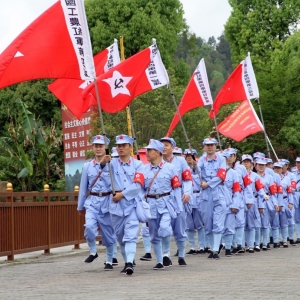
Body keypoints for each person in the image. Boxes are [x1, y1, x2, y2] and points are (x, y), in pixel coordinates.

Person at [102, 134, 144, 275]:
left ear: (130, 147)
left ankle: (129, 263)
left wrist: (123, 194)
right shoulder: (111, 163)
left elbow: (138, 185)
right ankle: (126, 260)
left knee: (131, 234)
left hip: (131, 203)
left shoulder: (138, 165)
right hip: (115, 204)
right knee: (120, 236)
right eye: (118, 146)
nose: (120, 148)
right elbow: (101, 171)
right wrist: (103, 162)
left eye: (124, 145)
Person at [77, 135, 117, 271]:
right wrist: (80, 205)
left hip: (107, 201)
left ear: (105, 148)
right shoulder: (87, 166)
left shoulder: (113, 165)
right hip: (92, 202)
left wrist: (105, 165)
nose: (98, 148)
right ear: (93, 148)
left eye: (101, 146)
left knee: (108, 233)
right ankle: (93, 252)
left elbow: (115, 184)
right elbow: (83, 188)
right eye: (96, 146)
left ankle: (110, 260)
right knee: (89, 227)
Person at [142, 139, 182, 270]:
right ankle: (159, 260)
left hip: (166, 203)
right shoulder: (143, 170)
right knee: (153, 234)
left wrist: (178, 206)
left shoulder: (170, 168)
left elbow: (176, 188)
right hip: (150, 205)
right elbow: (140, 189)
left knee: (165, 229)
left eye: (150, 150)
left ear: (158, 152)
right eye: (147, 150)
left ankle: (166, 254)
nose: (147, 153)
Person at [159, 137, 192, 267]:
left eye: (167, 145)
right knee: (164, 227)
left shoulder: (181, 161)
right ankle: (165, 254)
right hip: (163, 200)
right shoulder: (158, 162)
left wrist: (187, 192)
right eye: (162, 145)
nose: (164, 147)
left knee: (179, 229)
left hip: (178, 199)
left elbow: (187, 178)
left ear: (173, 147)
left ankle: (181, 255)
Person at [197, 137, 227, 260]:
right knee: (207, 223)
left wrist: (208, 183)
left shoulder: (221, 159)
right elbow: (197, 174)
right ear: (204, 146)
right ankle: (212, 245)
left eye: (212, 145)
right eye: (207, 145)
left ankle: (215, 250)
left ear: (216, 146)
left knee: (218, 222)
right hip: (205, 194)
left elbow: (221, 175)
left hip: (218, 192)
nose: (210, 147)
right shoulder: (200, 160)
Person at [241, 154, 266, 253]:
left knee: (251, 224)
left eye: (248, 162)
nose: (246, 164)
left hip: (252, 202)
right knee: (241, 224)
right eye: (244, 162)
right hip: (241, 201)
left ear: (252, 164)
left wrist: (264, 195)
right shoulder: (238, 174)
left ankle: (251, 245)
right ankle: (242, 245)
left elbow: (260, 188)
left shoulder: (255, 176)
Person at [184, 149, 206, 255]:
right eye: (187, 156)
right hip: (187, 196)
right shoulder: (183, 169)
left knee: (199, 223)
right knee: (189, 224)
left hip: (198, 196)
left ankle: (201, 246)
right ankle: (192, 247)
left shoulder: (199, 169)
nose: (189, 157)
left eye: (191, 156)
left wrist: (196, 168)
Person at [219, 150, 241, 257]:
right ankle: (216, 247)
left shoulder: (233, 173)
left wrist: (235, 205)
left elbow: (236, 191)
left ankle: (228, 248)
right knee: (217, 227)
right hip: (217, 205)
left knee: (229, 227)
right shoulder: (215, 173)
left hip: (229, 204)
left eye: (225, 158)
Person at [255, 157, 278, 250]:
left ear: (266, 166)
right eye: (259, 165)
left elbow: (273, 193)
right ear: (256, 165)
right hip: (256, 200)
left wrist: (275, 203)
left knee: (265, 223)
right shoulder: (253, 175)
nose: (261, 167)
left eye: (263, 165)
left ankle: (265, 242)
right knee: (256, 223)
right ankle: (257, 243)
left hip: (266, 200)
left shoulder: (270, 177)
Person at [293, 157, 300, 243]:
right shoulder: (293, 174)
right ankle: (298, 236)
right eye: (297, 162)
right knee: (297, 217)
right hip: (296, 194)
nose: (299, 164)